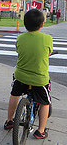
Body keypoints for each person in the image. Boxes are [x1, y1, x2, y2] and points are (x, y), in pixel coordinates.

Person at [4, 9, 53, 139]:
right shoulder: (47, 38)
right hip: (39, 79)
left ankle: (9, 120)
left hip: (20, 76)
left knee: (14, 94)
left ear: (24, 24)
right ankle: (41, 130)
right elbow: (47, 53)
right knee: (44, 103)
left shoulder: (20, 38)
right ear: (42, 24)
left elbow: (19, 50)